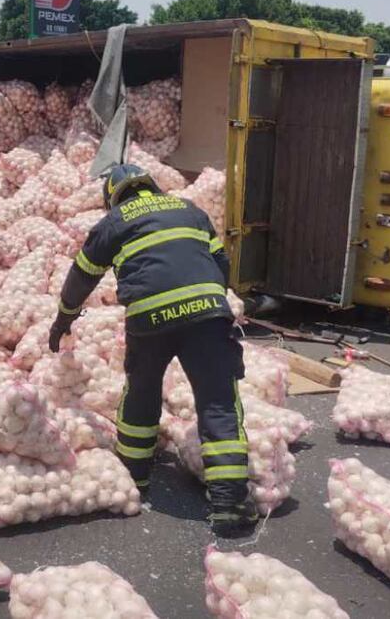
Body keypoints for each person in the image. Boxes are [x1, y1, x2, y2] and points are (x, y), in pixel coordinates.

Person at [47, 163, 256, 530]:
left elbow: (81, 277)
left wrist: (64, 318)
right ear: (151, 186)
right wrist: (206, 298)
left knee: (141, 392)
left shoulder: (113, 223)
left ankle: (134, 476)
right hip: (207, 317)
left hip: (149, 319)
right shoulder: (190, 210)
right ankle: (229, 504)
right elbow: (221, 264)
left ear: (113, 196)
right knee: (218, 400)